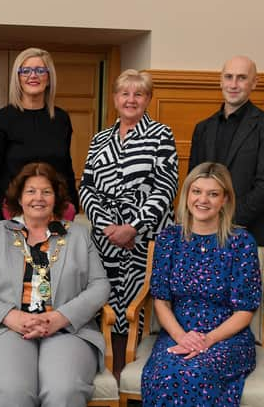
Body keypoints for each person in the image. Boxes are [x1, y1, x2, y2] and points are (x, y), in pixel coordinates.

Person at [0, 162, 110, 407]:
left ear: (57, 197)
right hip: (6, 329)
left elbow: (100, 285)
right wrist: (8, 315)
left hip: (67, 330)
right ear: (19, 197)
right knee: (12, 392)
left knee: (63, 391)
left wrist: (62, 317)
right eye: (30, 191)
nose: (38, 198)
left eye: (46, 192)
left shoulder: (79, 234)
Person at [79, 69, 178, 378]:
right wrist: (107, 227)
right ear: (115, 98)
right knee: (105, 299)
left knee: (142, 302)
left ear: (148, 99)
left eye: (138, 94)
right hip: (106, 237)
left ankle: (141, 371)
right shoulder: (100, 139)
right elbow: (87, 186)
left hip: (145, 237)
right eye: (125, 93)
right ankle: (108, 368)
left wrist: (132, 227)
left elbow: (166, 186)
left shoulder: (161, 134)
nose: (131, 99)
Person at [141, 162, 261, 406]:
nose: (202, 200)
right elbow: (161, 301)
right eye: (197, 191)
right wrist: (182, 337)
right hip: (177, 332)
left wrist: (209, 339)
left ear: (225, 199)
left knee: (194, 374)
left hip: (227, 337)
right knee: (165, 375)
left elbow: (245, 311)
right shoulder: (169, 239)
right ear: (187, 195)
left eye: (213, 193)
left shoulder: (241, 243)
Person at [189, 55, 264, 258]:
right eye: (229, 77)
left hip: (251, 235)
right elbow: (193, 183)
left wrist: (224, 221)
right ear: (220, 81)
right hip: (204, 235)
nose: (233, 84)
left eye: (241, 78)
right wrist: (208, 221)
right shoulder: (203, 128)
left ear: (254, 83)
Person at [0, 47, 78, 223]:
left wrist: (73, 209)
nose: (32, 76)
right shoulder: (1, 119)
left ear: (48, 78)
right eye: (25, 70)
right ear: (18, 78)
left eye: (40, 70)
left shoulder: (61, 119)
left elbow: (66, 169)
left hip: (55, 215)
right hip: (12, 215)